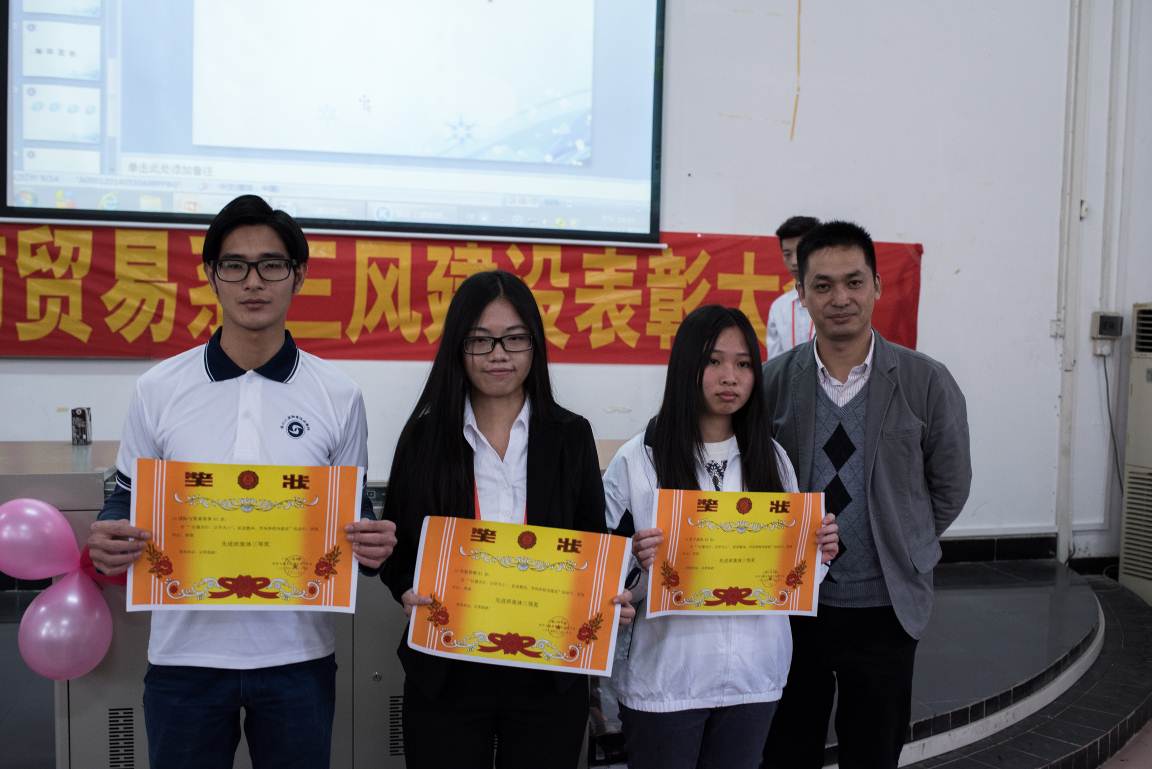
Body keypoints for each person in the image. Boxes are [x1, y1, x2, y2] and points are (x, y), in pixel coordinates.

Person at [86, 194, 397, 769]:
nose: (253, 282)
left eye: (271, 265)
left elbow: (354, 519)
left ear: (298, 276)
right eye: (235, 265)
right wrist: (108, 536)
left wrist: (374, 549)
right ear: (211, 275)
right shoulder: (159, 388)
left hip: (298, 657)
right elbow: (124, 501)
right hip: (185, 658)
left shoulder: (339, 395)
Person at [380, 269, 634, 769]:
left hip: (548, 670)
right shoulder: (424, 439)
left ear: (534, 345)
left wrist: (609, 595)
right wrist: (405, 588)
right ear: (459, 347)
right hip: (447, 667)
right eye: (481, 340)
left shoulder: (570, 436)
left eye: (515, 338)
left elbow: (591, 542)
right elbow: (398, 549)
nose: (499, 354)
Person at [760, 221, 972, 769]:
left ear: (877, 285)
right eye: (823, 285)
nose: (840, 298)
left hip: (886, 606)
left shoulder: (926, 381)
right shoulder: (773, 383)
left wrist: (905, 538)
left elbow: (950, 484)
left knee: (874, 751)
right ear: (801, 293)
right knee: (787, 749)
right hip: (794, 607)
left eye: (854, 282)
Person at [602, 305, 839, 769]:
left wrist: (819, 553)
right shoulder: (639, 459)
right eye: (713, 361)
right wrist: (636, 560)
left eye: (743, 364)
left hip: (754, 677)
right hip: (667, 678)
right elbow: (607, 578)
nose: (730, 377)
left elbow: (790, 579)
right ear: (686, 367)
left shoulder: (772, 459)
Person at [766, 216, 820, 359]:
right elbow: (775, 362)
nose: (794, 261)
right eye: (787, 254)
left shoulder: (838, 300)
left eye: (801, 251)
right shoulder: (779, 307)